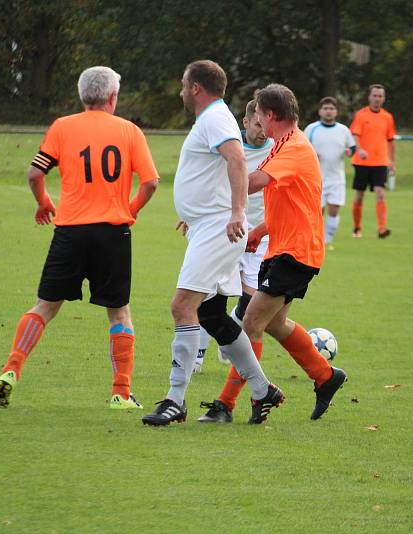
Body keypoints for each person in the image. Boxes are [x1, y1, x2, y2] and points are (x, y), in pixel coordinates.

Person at [0, 66, 159, 411]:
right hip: (112, 232)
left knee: (44, 306)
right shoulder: (129, 131)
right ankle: (121, 393)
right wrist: (132, 209)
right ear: (112, 97)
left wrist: (44, 203)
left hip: (69, 231)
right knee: (119, 312)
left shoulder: (63, 127)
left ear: (83, 97)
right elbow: (151, 182)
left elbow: (36, 173)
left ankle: (12, 368)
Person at [141, 60, 284, 426]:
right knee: (212, 315)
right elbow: (215, 169)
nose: (180, 91)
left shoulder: (216, 118)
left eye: (183, 85)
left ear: (196, 88)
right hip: (210, 224)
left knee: (182, 306)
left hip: (218, 228)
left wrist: (236, 212)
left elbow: (236, 158)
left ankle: (174, 400)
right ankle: (261, 388)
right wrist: (195, 208)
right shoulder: (212, 119)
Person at [197, 84, 346, 424]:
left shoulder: (293, 147)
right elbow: (291, 203)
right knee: (276, 323)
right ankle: (325, 376)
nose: (258, 120)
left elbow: (254, 181)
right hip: (284, 247)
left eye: (260, 113)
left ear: (270, 115)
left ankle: (231, 404)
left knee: (251, 321)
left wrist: (208, 187)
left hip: (295, 252)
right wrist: (258, 232)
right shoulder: (283, 145)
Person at [193, 98, 273, 385]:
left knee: (251, 300)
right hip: (228, 227)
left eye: (266, 125)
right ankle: (198, 356)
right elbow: (210, 181)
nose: (263, 131)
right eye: (257, 125)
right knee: (209, 291)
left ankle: (231, 337)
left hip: (261, 235)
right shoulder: (230, 148)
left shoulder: (276, 149)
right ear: (246, 122)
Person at [303, 97, 356, 248]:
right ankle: (316, 239)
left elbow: (352, 148)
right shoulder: (311, 129)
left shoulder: (343, 130)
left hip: (337, 178)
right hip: (316, 178)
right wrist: (311, 153)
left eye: (331, 109)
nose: (328, 111)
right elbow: (302, 148)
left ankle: (327, 240)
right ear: (320, 111)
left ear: (336, 112)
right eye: (325, 108)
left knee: (334, 209)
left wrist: (349, 151)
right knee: (318, 211)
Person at [349, 84, 396, 239]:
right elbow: (354, 135)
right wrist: (359, 149)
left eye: (380, 96)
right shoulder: (361, 115)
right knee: (359, 196)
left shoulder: (387, 117)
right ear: (369, 97)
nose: (377, 99)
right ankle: (356, 228)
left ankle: (382, 229)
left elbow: (390, 141)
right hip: (362, 162)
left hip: (381, 162)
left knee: (380, 194)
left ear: (384, 98)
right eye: (375, 95)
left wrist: (392, 162)